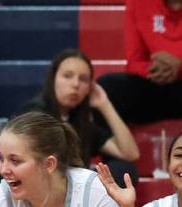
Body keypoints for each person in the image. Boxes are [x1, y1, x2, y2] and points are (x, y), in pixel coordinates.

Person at [97, 0, 182, 125]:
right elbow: (134, 63)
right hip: (154, 84)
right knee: (106, 89)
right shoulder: (136, 2)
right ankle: (119, 152)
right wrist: (157, 70)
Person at [18, 49, 140, 187]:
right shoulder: (34, 114)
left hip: (74, 193)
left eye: (83, 79)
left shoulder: (80, 121)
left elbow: (130, 153)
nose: (76, 84)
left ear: (90, 87)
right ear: (53, 80)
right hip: (43, 189)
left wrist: (105, 104)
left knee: (124, 170)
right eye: (67, 76)